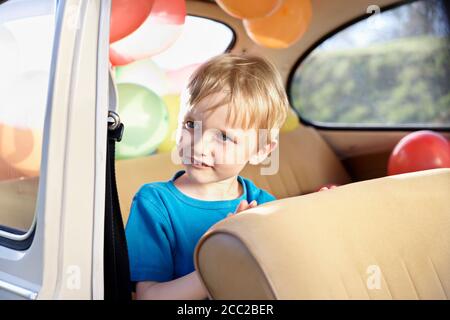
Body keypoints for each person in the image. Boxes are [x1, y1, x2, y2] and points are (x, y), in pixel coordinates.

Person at [125, 53, 290, 300]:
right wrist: (217, 263)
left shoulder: (264, 205)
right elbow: (149, 297)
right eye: (191, 124)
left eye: (223, 136)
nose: (199, 146)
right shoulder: (155, 203)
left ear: (260, 150)